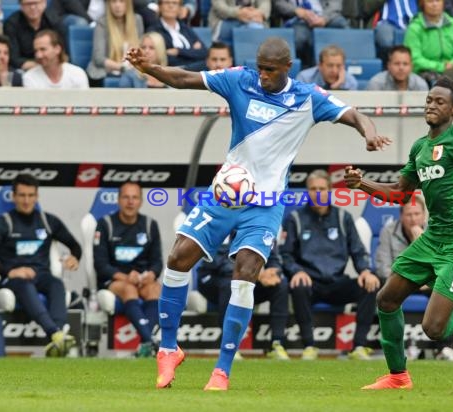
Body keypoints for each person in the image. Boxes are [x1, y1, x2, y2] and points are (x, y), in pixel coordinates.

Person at [125, 36, 391, 391]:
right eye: (260, 67)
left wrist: (369, 134)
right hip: (224, 195)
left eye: (269, 70)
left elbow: (355, 114)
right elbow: (187, 78)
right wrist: (151, 68)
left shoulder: (307, 98)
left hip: (265, 204)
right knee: (177, 259)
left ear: (287, 68)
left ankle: (221, 370)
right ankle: (169, 349)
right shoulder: (240, 79)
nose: (262, 75)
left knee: (245, 273)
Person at [344, 76, 453, 389]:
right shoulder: (420, 148)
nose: (431, 105)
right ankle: (398, 377)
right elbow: (400, 191)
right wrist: (362, 184)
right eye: (429, 99)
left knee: (434, 329)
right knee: (386, 299)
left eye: (439, 101)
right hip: (431, 239)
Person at [281, 169, 382, 361]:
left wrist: (365, 271)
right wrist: (296, 271)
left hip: (337, 282)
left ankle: (359, 347)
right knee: (298, 284)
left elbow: (358, 250)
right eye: (313, 189)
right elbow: (285, 255)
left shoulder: (343, 218)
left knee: (371, 284)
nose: (317, 193)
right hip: (310, 283)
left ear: (329, 191)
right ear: (307, 192)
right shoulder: (295, 219)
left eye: (322, 188)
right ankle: (309, 346)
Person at [0, 174, 82, 357]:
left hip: (42, 276)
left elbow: (75, 246)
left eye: (30, 195)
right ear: (13, 197)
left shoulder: (47, 221)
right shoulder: (4, 223)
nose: (26, 200)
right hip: (12, 279)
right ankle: (55, 333)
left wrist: (74, 257)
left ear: (37, 196)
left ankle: (57, 337)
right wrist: (11, 271)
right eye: (22, 195)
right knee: (24, 283)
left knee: (57, 284)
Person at [375, 196, 453, 361]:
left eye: (417, 214)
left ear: (424, 216)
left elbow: (441, 267)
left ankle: (443, 348)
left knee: (448, 291)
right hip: (399, 280)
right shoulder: (388, 231)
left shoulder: (434, 232)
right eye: (408, 214)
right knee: (383, 293)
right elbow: (383, 268)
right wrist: (411, 279)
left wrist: (420, 239)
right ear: (401, 215)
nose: (413, 219)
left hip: (427, 283)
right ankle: (397, 351)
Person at [93, 181, 163, 357]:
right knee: (128, 288)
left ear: (140, 201)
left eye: (134, 197)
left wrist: (151, 275)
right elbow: (100, 265)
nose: (130, 202)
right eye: (126, 197)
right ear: (118, 200)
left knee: (155, 288)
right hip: (115, 280)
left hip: (141, 279)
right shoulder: (105, 224)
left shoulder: (149, 225)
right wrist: (125, 277)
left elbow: (157, 262)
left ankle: (145, 345)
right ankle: (150, 341)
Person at [197, 234, 290, 360]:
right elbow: (220, 263)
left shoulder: (263, 229)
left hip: (251, 279)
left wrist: (273, 271)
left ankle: (277, 343)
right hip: (213, 279)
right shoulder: (227, 225)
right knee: (230, 285)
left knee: (281, 285)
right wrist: (257, 274)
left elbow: (274, 259)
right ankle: (229, 345)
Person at [273, 0, 349, 68]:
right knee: (300, 38)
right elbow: (279, 3)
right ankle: (307, 71)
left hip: (325, 15)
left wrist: (324, 19)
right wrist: (296, 10)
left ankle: (346, 67)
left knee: (342, 25)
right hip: (298, 19)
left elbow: (335, 4)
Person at [404, 0, 453, 87]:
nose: (434, 4)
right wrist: (441, 67)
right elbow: (414, 58)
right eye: (430, 1)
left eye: (438, 1)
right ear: (422, 3)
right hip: (425, 73)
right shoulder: (414, 28)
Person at [87, 0, 143, 87]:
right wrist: (122, 67)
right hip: (105, 71)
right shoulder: (102, 22)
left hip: (132, 70)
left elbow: (140, 50)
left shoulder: (137, 20)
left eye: (121, 1)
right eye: (113, 1)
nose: (117, 5)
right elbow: (98, 58)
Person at [3, 0, 65, 71]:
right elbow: (13, 58)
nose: (32, 7)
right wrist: (38, 66)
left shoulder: (55, 21)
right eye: (28, 4)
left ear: (44, 3)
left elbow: (61, 51)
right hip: (24, 68)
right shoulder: (11, 24)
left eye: (36, 3)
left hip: (51, 65)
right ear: (21, 6)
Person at [148, 0, 207, 71]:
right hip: (171, 72)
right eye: (167, 2)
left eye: (174, 3)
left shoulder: (185, 28)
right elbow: (164, 58)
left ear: (180, 9)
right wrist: (193, 51)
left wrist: (178, 51)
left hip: (193, 71)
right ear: (160, 7)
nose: (171, 6)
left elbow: (204, 52)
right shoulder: (154, 30)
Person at [23, 29, 89, 89]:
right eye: (36, 51)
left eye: (43, 49)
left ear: (57, 49)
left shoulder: (77, 74)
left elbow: (85, 101)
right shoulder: (30, 77)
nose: (38, 55)